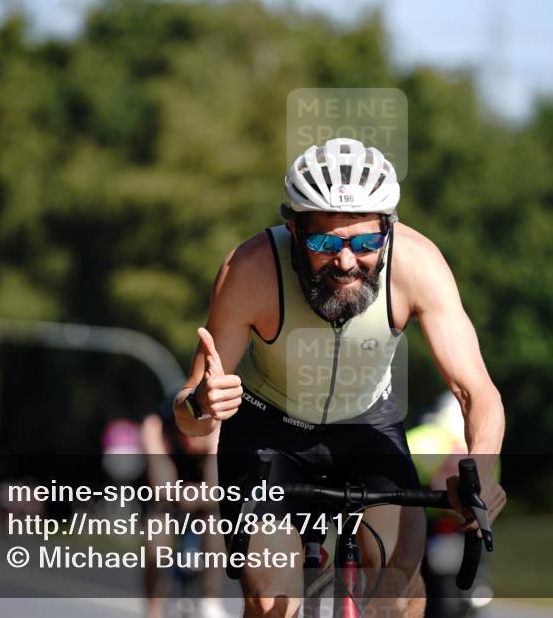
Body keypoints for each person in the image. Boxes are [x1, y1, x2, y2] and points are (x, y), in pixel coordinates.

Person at [174, 138, 507, 618]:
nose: (347, 261)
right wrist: (202, 406)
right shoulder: (249, 270)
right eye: (325, 243)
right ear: (294, 228)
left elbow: (477, 392)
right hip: (270, 435)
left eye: (367, 242)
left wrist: (482, 473)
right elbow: (190, 416)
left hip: (367, 428)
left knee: (399, 595)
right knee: (274, 603)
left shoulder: (417, 265)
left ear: (388, 230)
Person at [141, 405, 223, 618]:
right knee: (156, 540)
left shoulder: (217, 425)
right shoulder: (156, 425)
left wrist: (200, 494)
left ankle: (210, 601)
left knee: (216, 525)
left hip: (203, 492)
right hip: (168, 493)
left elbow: (215, 486)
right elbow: (160, 484)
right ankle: (154, 609)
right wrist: (177, 494)